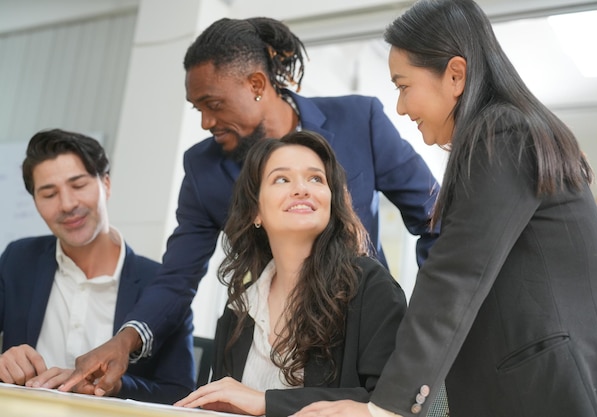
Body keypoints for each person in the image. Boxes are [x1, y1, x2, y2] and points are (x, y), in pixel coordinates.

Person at [61, 16, 440, 396]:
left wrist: (429, 314)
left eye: (214, 104)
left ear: (256, 84)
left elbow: (436, 217)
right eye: (199, 109)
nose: (208, 121)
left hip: (356, 337)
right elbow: (177, 277)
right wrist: (126, 340)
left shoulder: (360, 120)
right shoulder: (204, 170)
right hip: (259, 334)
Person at [292, 1, 597, 417]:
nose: (400, 107)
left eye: (403, 85)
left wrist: (385, 407)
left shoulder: (502, 133)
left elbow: (456, 273)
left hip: (549, 387)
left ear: (455, 75)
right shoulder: (509, 132)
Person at [173, 129, 406, 417]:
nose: (302, 189)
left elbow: (389, 402)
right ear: (255, 212)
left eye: (316, 178)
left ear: (331, 203)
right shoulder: (238, 311)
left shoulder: (371, 287)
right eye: (282, 179)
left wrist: (265, 403)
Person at [0, 129, 195, 404]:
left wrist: (115, 387)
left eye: (78, 185)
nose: (67, 204)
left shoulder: (162, 285)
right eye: (49, 194)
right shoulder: (18, 259)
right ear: (35, 202)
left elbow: (180, 394)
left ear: (106, 184)